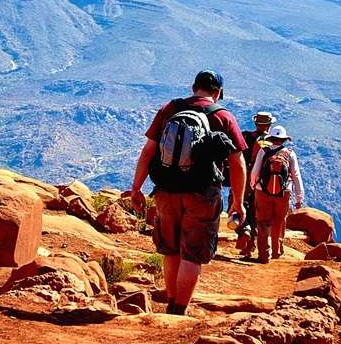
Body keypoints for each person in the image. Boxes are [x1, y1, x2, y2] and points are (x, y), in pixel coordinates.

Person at [130, 70, 248, 315]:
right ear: (218, 92)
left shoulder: (170, 109)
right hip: (202, 194)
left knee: (170, 250)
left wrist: (136, 188)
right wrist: (238, 201)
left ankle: (171, 304)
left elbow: (148, 151)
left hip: (166, 191)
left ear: (194, 87)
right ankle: (179, 311)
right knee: (192, 255)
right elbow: (237, 163)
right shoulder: (223, 117)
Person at [250, 125, 304, 264]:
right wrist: (299, 197)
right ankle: (276, 251)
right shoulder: (289, 154)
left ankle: (263, 255)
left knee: (262, 223)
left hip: (262, 191)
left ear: (271, 138)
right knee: (279, 221)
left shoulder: (263, 151)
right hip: (284, 192)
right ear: (284, 139)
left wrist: (254, 185)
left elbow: (255, 172)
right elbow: (296, 176)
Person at [235, 112, 275, 258]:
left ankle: (243, 230)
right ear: (269, 125)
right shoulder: (270, 142)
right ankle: (250, 247)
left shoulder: (245, 136)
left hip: (244, 178)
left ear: (256, 124)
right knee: (255, 213)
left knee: (235, 206)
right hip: (263, 183)